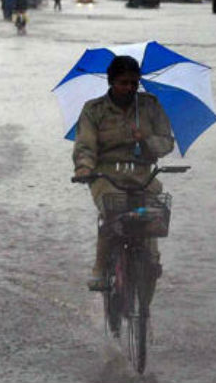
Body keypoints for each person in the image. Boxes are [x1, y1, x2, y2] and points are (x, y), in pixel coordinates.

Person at [73, 56, 174, 291]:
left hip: (143, 177)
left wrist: (147, 140)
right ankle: (100, 267)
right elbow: (85, 145)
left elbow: (167, 143)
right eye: (123, 83)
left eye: (133, 83)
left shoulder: (150, 106)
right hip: (106, 178)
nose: (129, 88)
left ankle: (151, 262)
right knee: (112, 214)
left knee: (150, 218)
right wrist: (84, 167)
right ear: (111, 82)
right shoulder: (93, 110)